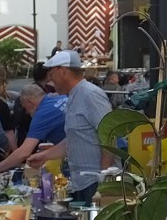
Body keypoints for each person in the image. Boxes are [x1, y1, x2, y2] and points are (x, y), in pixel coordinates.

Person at [27, 49, 112, 204]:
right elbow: (74, 139)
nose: (49, 82)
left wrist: (104, 180)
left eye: (52, 75)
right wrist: (45, 156)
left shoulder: (90, 94)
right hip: (82, 182)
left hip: (95, 181)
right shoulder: (72, 96)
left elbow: (109, 136)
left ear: (63, 71)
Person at [0, 84, 66, 179]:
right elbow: (68, 141)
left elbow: (24, 152)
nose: (26, 112)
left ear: (30, 102)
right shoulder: (61, 98)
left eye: (24, 107)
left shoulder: (42, 114)